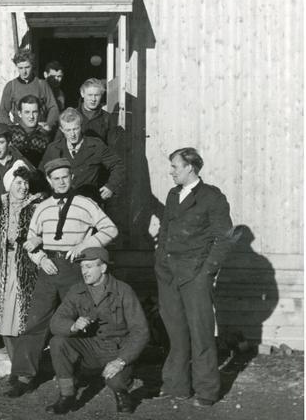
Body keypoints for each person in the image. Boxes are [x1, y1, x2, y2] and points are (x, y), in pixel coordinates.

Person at [6, 158, 117, 397]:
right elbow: (31, 241)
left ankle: (76, 372)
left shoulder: (86, 204)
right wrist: (41, 259)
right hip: (48, 268)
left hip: (75, 269)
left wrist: (85, 246)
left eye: (65, 177)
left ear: (72, 177)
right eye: (56, 179)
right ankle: (24, 376)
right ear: (49, 181)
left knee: (77, 320)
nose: (61, 182)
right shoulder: (42, 207)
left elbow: (110, 229)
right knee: (36, 321)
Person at [154, 148, 233, 407]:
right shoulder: (173, 194)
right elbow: (165, 230)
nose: (171, 171)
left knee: (201, 335)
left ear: (190, 167)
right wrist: (160, 261)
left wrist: (206, 272)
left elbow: (224, 238)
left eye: (175, 166)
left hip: (195, 275)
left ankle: (207, 391)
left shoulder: (212, 197)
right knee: (176, 332)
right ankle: (176, 385)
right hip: (169, 274)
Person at [47, 247, 149, 415]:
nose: (84, 272)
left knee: (116, 381)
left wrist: (121, 361)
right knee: (58, 342)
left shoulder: (123, 291)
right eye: (82, 267)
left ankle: (122, 394)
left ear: (103, 268)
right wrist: (73, 326)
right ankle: (67, 395)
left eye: (89, 266)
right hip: (91, 348)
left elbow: (141, 331)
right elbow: (56, 322)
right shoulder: (77, 290)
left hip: (117, 350)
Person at [0, 165, 42, 364]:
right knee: (4, 315)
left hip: (27, 266)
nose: (24, 187)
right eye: (19, 182)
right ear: (9, 184)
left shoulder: (37, 206)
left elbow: (47, 230)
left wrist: (38, 239)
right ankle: (17, 364)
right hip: (2, 266)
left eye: (26, 183)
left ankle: (24, 364)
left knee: (24, 315)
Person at [40, 108, 124, 203]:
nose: (72, 134)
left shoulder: (96, 145)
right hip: (60, 202)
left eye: (75, 129)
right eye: (68, 130)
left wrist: (111, 186)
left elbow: (118, 165)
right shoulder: (54, 149)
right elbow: (42, 174)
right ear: (62, 130)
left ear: (81, 126)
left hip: (88, 201)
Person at [0, 48, 59, 130]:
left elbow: (53, 108)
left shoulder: (42, 84)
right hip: (19, 131)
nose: (24, 72)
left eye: (27, 67)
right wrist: (11, 128)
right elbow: (2, 112)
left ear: (32, 66)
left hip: (39, 130)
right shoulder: (11, 86)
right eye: (20, 68)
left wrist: (48, 124)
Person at [9, 95, 53, 168]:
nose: (31, 116)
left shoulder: (45, 137)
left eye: (35, 112)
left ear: (39, 112)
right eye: (27, 112)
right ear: (20, 114)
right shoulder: (10, 132)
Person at [75, 78, 121, 148]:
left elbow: (112, 147)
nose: (93, 99)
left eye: (97, 95)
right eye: (90, 95)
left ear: (101, 95)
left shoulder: (107, 118)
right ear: (82, 94)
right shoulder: (72, 115)